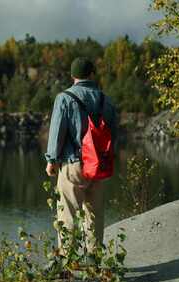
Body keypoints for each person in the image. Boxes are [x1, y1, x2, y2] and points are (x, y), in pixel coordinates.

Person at [45, 57, 117, 251]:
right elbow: (113, 133)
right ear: (92, 74)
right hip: (98, 165)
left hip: (73, 164)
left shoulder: (65, 98)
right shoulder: (105, 99)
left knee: (68, 215)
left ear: (72, 76)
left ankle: (68, 263)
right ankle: (94, 261)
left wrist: (51, 160)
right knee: (94, 215)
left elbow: (57, 132)